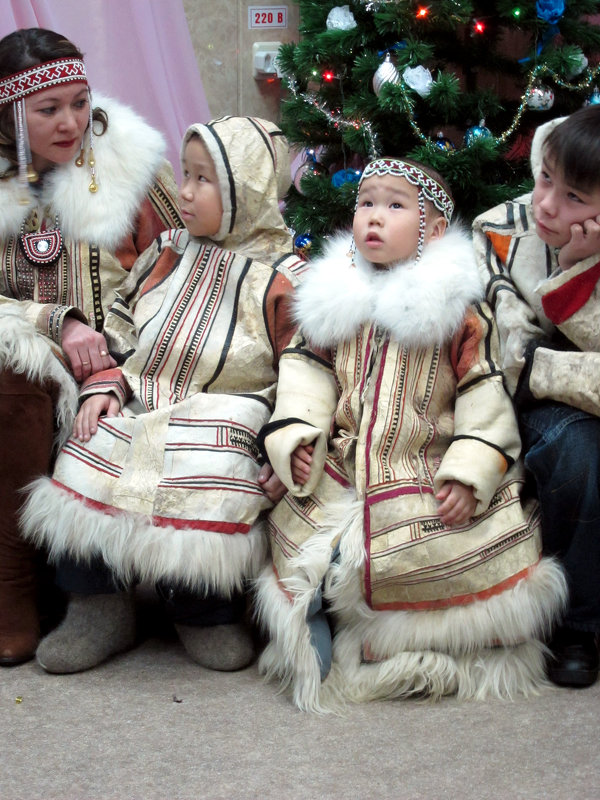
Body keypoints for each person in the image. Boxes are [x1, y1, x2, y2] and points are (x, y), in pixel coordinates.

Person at [254, 156, 567, 711]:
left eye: (395, 206)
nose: (373, 216)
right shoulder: (334, 300)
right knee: (308, 529)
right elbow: (305, 374)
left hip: (427, 462)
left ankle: (430, 636)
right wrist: (298, 435)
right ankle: (322, 617)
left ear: (435, 229)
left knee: (458, 540)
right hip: (347, 461)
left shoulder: (459, 313)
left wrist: (471, 471)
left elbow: (484, 396)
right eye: (365, 202)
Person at [21, 115, 306, 674]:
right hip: (143, 392)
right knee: (93, 447)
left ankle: (201, 606)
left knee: (210, 480)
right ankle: (98, 603)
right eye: (186, 174)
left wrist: (285, 432)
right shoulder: (169, 249)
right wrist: (105, 382)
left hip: (228, 410)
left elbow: (303, 365)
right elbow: (123, 318)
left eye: (204, 180)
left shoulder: (284, 275)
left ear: (245, 189)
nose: (184, 191)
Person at [0, 28, 182, 667]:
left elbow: (178, 266)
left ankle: (179, 598)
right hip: (31, 361)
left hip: (138, 350)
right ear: (9, 112)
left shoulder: (131, 167)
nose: (72, 122)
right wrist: (58, 323)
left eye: (80, 102)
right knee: (16, 380)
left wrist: (115, 356)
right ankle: (38, 588)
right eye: (49, 110)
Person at [473, 105, 600, 688]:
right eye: (546, 177)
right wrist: (569, 274)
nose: (548, 205)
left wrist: (582, 267)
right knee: (578, 452)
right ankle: (577, 626)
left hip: (566, 393)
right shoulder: (499, 229)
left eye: (575, 197)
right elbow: (510, 359)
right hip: (524, 407)